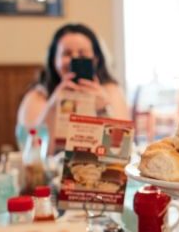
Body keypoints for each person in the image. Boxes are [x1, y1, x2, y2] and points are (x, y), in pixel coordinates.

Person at [17, 23, 130, 152]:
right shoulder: (38, 96)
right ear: (54, 60)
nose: (74, 59)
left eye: (82, 55)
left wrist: (104, 110)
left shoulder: (111, 91)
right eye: (67, 54)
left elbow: (123, 149)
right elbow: (33, 152)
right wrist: (53, 106)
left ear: (96, 59)